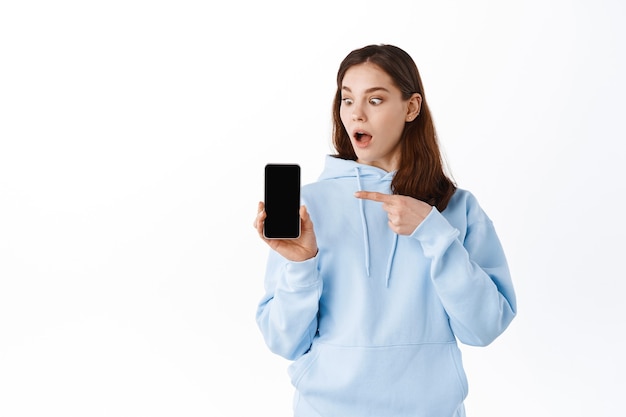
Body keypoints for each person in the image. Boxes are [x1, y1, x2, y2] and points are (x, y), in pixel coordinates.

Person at [253, 44, 517, 417]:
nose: (356, 113)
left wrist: (435, 233)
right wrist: (302, 265)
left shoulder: (455, 207)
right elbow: (283, 340)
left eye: (374, 100)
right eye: (347, 100)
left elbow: (485, 327)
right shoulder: (306, 208)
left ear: (411, 108)